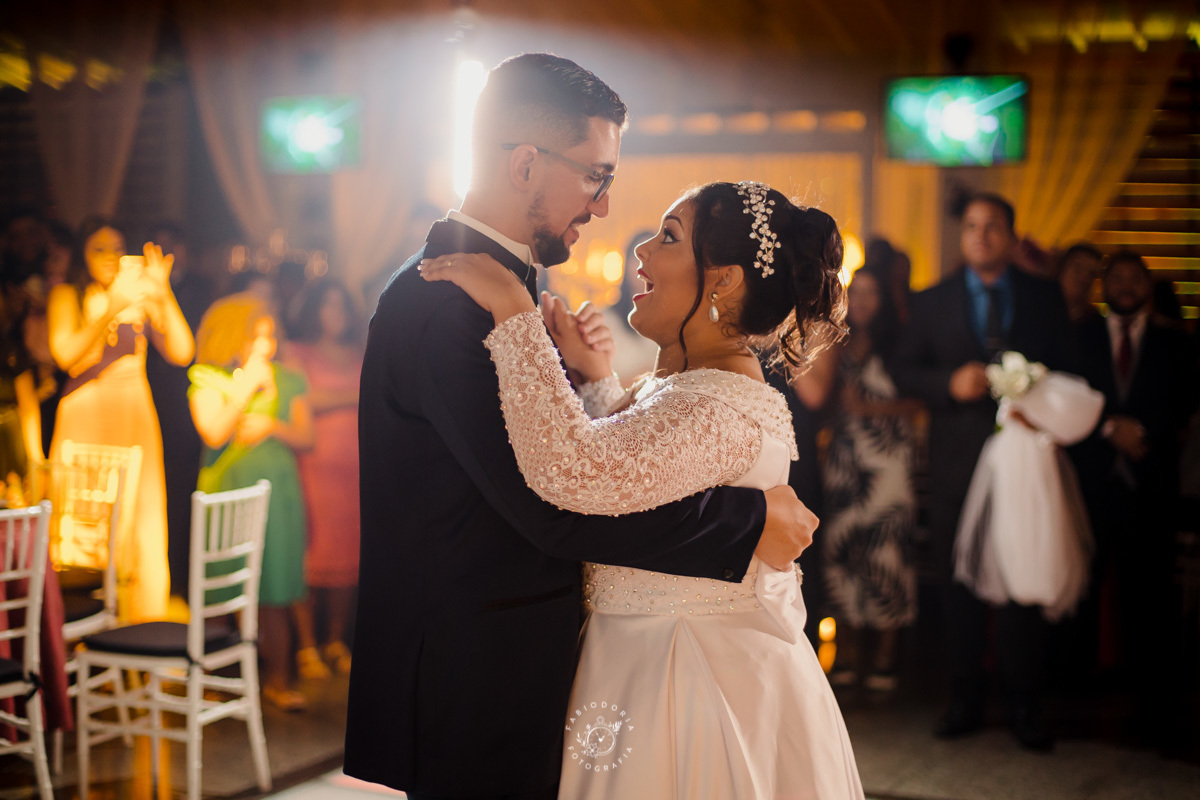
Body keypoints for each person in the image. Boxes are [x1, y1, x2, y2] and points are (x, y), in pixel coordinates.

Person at [344, 54, 814, 800]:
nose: (603, 207)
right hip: (474, 674)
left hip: (530, 665)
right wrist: (744, 522)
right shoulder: (448, 304)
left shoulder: (497, 291)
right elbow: (552, 504)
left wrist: (591, 381)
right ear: (526, 164)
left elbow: (583, 458)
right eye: (597, 176)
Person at [422, 179, 861, 799]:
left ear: (723, 280)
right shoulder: (694, 388)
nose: (643, 251)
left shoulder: (714, 407)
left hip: (682, 680)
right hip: (653, 655)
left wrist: (513, 313)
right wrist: (598, 381)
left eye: (669, 238)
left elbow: (576, 473)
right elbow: (644, 473)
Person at [892, 192, 1075, 750]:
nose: (981, 235)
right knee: (959, 581)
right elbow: (903, 370)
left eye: (992, 226)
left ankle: (1025, 704)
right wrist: (946, 383)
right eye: (971, 226)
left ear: (1012, 237)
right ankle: (964, 698)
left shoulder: (1043, 296)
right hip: (957, 462)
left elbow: (1068, 368)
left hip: (1025, 460)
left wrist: (1039, 402)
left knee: (1023, 576)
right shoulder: (932, 300)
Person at [1072, 251, 1200, 743]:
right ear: (1104, 285)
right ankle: (1076, 704)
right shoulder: (1082, 335)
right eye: (1117, 278)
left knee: (1151, 599)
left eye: (1134, 278)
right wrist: (1109, 428)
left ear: (1147, 285)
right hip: (1093, 485)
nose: (1125, 286)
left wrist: (1142, 430)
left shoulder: (1175, 341)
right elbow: (1071, 396)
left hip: (1152, 486)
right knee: (1084, 592)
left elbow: (1186, 401)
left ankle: (1155, 710)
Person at [46, 216, 194, 623]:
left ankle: (139, 627)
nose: (110, 257)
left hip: (133, 414)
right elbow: (65, 356)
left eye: (116, 248)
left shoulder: (140, 295)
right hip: (85, 415)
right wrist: (110, 307)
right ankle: (81, 628)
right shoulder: (66, 295)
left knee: (140, 519)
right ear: (82, 255)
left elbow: (182, 352)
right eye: (99, 249)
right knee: (83, 522)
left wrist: (162, 293)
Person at [188, 294, 316, 711]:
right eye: (255, 336)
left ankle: (277, 680)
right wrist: (245, 388)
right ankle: (208, 680)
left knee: (275, 587)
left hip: (277, 493)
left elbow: (307, 437)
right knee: (219, 588)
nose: (265, 345)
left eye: (269, 336)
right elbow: (213, 431)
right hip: (227, 493)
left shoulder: (288, 377)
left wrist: (271, 425)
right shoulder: (208, 378)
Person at [815, 266, 921, 692]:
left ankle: (885, 656)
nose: (860, 301)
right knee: (842, 550)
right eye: (854, 292)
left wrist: (871, 409)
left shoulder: (902, 343)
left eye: (871, 293)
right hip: (844, 461)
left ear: (885, 299)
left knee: (886, 554)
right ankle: (847, 651)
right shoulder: (834, 341)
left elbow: (921, 403)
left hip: (888, 461)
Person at [289, 278, 364, 678]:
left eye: (342, 305)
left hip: (354, 471)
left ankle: (335, 641)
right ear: (314, 309)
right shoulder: (296, 352)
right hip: (313, 468)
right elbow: (301, 399)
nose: (336, 313)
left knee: (348, 555)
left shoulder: (360, 351)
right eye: (328, 305)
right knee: (309, 552)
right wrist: (355, 396)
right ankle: (306, 645)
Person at [1057, 242, 1103, 327]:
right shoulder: (1038, 309)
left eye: (1091, 273)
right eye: (1078, 267)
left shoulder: (1096, 324)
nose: (1084, 277)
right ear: (1062, 268)